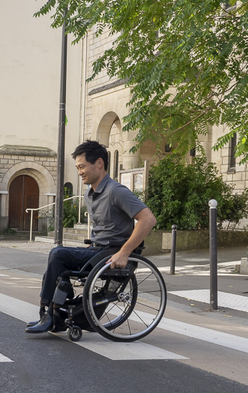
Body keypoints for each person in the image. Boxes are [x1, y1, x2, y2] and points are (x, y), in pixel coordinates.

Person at [26, 140, 158, 335]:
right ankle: (57, 314)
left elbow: (148, 219)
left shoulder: (116, 191)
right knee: (59, 263)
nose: (79, 172)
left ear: (99, 163)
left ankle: (49, 313)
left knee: (58, 253)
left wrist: (125, 252)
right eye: (77, 167)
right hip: (98, 250)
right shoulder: (90, 194)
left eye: (82, 166)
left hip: (113, 253)